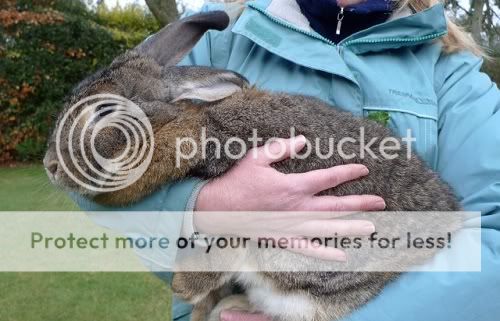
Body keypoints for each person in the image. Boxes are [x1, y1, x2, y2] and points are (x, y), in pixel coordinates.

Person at [76, 0, 500, 320]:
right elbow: (88, 161)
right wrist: (206, 206)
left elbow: (491, 240)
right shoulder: (222, 31)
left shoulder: (449, 69)